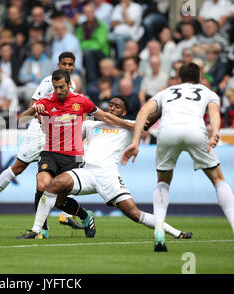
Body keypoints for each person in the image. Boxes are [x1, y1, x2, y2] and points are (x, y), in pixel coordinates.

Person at [121, 62, 234, 252]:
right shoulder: (208, 92)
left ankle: (159, 231)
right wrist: (215, 131)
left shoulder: (167, 91)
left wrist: (135, 141)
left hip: (167, 132)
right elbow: (214, 111)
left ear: (178, 78)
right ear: (199, 78)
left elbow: (143, 111)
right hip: (195, 131)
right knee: (218, 179)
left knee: (163, 182)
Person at [23, 97, 192, 240]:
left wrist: (164, 105)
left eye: (117, 106)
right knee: (54, 186)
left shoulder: (128, 126)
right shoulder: (90, 125)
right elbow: (67, 136)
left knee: (134, 213)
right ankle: (37, 229)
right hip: (87, 172)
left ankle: (177, 233)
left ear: (124, 113)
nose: (112, 108)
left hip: (108, 176)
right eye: (110, 105)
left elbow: (148, 120)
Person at [17, 69, 134, 239]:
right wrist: (33, 109)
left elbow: (106, 117)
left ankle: (85, 216)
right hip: (50, 152)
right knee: (42, 186)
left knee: (58, 200)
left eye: (62, 86)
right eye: (55, 87)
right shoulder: (45, 101)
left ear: (69, 85)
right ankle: (41, 230)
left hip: (73, 156)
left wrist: (130, 125)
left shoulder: (82, 101)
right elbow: (22, 120)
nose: (58, 90)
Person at [0, 52, 82, 230]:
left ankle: (64, 215)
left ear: (74, 66)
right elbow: (32, 105)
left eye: (70, 64)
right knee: (19, 167)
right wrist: (43, 117)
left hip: (58, 134)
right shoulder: (47, 82)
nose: (67, 67)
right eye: (64, 64)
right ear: (58, 64)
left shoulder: (72, 85)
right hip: (40, 131)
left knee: (68, 173)